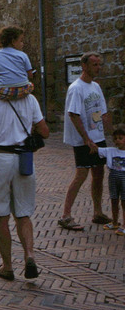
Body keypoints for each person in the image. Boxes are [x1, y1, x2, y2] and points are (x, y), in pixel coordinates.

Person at [0, 79, 49, 281]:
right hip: (23, 158)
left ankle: (7, 266)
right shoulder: (30, 99)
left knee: (1, 215)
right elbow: (45, 131)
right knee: (23, 213)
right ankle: (30, 255)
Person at [58, 52, 113, 231]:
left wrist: (108, 134)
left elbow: (102, 113)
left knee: (98, 174)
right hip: (84, 141)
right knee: (81, 175)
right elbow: (73, 114)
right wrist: (86, 139)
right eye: (95, 64)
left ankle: (97, 212)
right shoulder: (76, 88)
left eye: (99, 64)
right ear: (84, 66)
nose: (98, 68)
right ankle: (66, 215)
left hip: (98, 138)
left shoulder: (96, 87)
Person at [98, 126, 125, 235]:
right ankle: (114, 222)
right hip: (113, 177)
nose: (117, 140)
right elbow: (96, 149)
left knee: (124, 201)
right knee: (114, 199)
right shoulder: (110, 151)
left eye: (120, 138)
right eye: (115, 139)